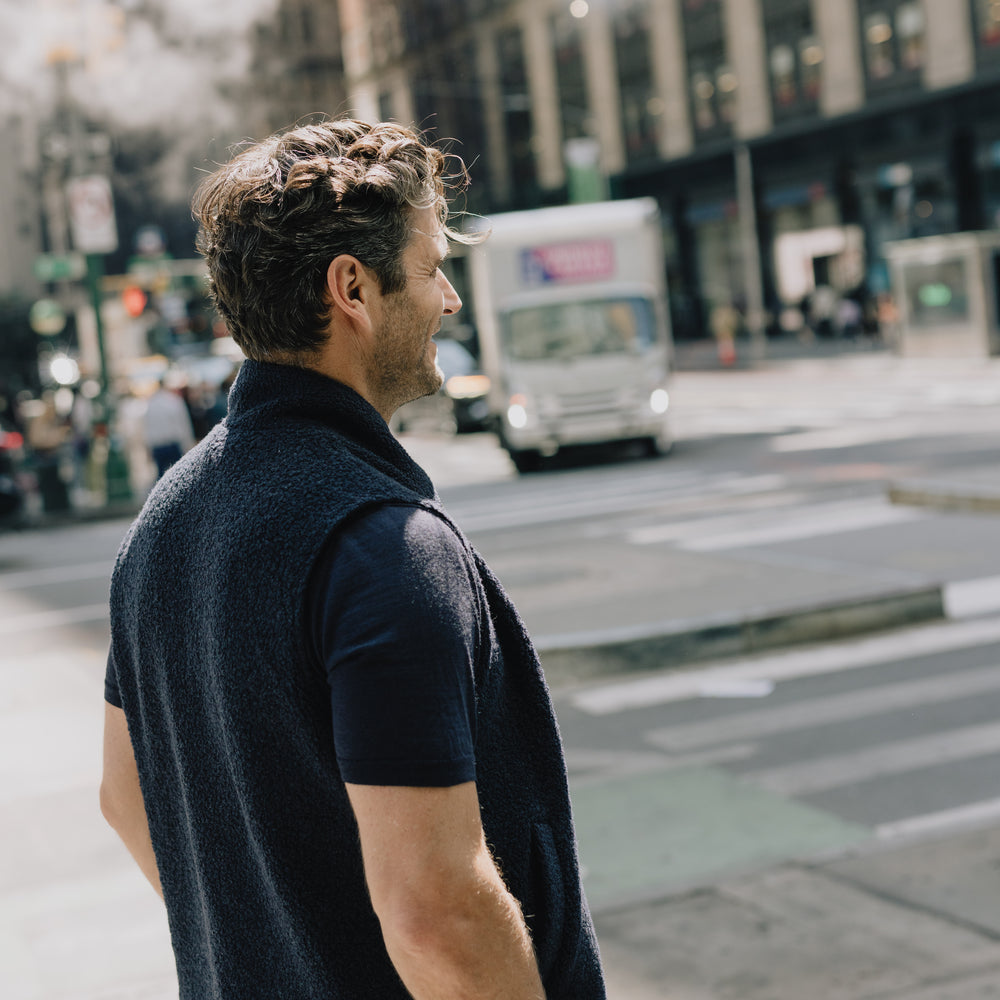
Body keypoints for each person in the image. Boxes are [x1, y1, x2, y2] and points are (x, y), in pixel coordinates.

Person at [100, 119, 606, 1000]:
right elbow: (436, 915)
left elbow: (123, 796)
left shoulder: (163, 523)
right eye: (431, 267)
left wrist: (272, 953)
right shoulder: (386, 548)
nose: (449, 300)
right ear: (354, 290)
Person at [142, 375, 195, 479]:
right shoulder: (174, 401)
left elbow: (147, 427)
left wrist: (148, 447)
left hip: (157, 445)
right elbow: (183, 424)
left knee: (161, 476)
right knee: (180, 475)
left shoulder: (150, 404)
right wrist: (188, 443)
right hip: (173, 443)